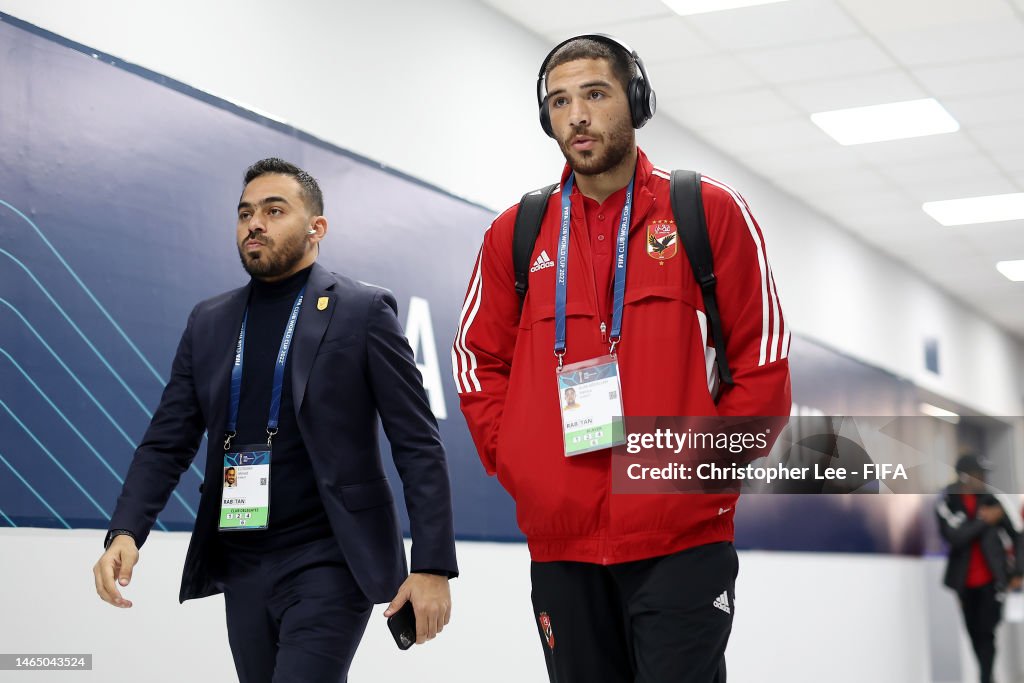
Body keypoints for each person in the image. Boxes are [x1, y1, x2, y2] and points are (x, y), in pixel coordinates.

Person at [453, 34, 791, 683]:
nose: (576, 115)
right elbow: (477, 359)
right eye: (559, 101)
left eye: (595, 94)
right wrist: (525, 463)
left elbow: (763, 361)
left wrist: (704, 476)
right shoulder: (515, 234)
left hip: (681, 540)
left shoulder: (707, 212)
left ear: (635, 102)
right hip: (563, 546)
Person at [92, 158, 458, 683]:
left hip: (329, 558)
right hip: (243, 558)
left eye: (273, 210)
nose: (254, 223)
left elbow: (418, 444)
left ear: (316, 227)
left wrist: (432, 565)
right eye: (244, 213)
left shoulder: (363, 311)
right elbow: (166, 442)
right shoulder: (210, 321)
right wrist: (126, 531)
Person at [935, 454, 1023, 683]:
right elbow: (954, 537)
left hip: (992, 580)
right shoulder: (948, 500)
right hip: (964, 583)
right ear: (964, 476)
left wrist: (1018, 572)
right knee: (974, 632)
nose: (983, 479)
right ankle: (986, 675)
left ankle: (986, 677)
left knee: (987, 632)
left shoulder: (991, 499)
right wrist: (984, 522)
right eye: (978, 474)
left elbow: (1018, 536)